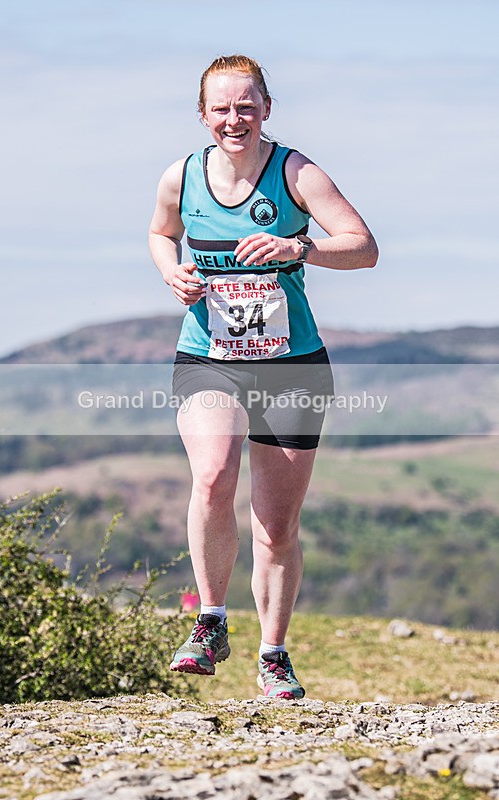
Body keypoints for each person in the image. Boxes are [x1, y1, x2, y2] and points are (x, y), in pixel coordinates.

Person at [148, 54, 378, 699]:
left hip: (290, 363)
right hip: (209, 354)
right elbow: (160, 233)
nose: (234, 119)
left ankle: (273, 656)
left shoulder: (297, 173)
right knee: (214, 475)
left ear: (267, 109)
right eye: (221, 108)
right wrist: (171, 271)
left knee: (275, 526)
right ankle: (211, 621)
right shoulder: (181, 176)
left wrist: (297, 248)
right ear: (202, 115)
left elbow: (363, 246)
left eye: (246, 106)